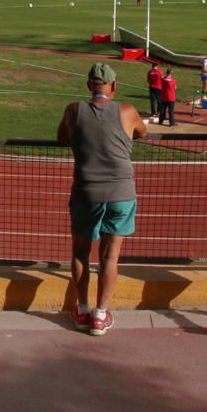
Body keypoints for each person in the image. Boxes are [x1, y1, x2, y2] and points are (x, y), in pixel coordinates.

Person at [57, 63, 147, 336]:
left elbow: (62, 138)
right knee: (110, 256)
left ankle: (82, 309)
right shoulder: (128, 111)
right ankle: (100, 315)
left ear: (88, 86)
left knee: (80, 252)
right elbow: (142, 131)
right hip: (121, 193)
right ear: (114, 86)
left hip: (87, 192)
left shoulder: (74, 111)